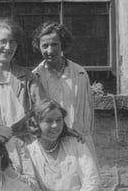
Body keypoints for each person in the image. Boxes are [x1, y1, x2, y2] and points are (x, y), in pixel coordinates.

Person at [31, 22, 96, 157]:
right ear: (39, 47)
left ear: (62, 45)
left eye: (54, 44)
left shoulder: (79, 74)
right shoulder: (35, 77)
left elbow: (88, 113)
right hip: (49, 144)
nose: (50, 51)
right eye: (45, 46)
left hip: (79, 142)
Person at [0, 18, 46, 135]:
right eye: (3, 41)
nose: (8, 47)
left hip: (23, 140)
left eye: (12, 42)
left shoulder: (28, 78)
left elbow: (44, 109)